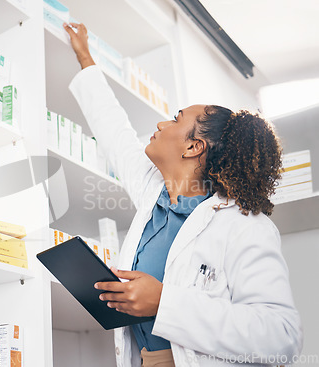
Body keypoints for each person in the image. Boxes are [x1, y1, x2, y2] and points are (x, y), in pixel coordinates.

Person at [63, 22, 303, 367]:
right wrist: (84, 56)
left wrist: (164, 302)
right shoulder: (153, 194)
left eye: (174, 119)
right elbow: (113, 129)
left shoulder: (245, 225)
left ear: (193, 146)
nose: (161, 125)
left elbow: (282, 337)